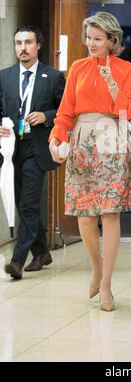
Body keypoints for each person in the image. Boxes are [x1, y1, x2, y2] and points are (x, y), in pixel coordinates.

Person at [49, 12, 131, 312]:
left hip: (112, 138)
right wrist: (56, 136)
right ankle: (96, 268)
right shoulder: (77, 67)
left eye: (97, 39)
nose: (90, 43)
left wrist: (113, 85)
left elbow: (128, 111)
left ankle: (106, 284)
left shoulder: (124, 68)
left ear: (111, 41)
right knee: (84, 214)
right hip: (82, 141)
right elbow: (65, 111)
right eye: (88, 37)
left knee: (109, 214)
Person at [0, 25, 65, 280]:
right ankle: (42, 252)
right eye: (18, 43)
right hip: (10, 149)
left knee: (28, 203)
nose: (23, 48)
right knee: (21, 203)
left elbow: (65, 110)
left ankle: (17, 260)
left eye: (28, 43)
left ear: (39, 45)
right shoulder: (4, 76)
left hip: (36, 147)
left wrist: (46, 116)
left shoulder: (53, 76)